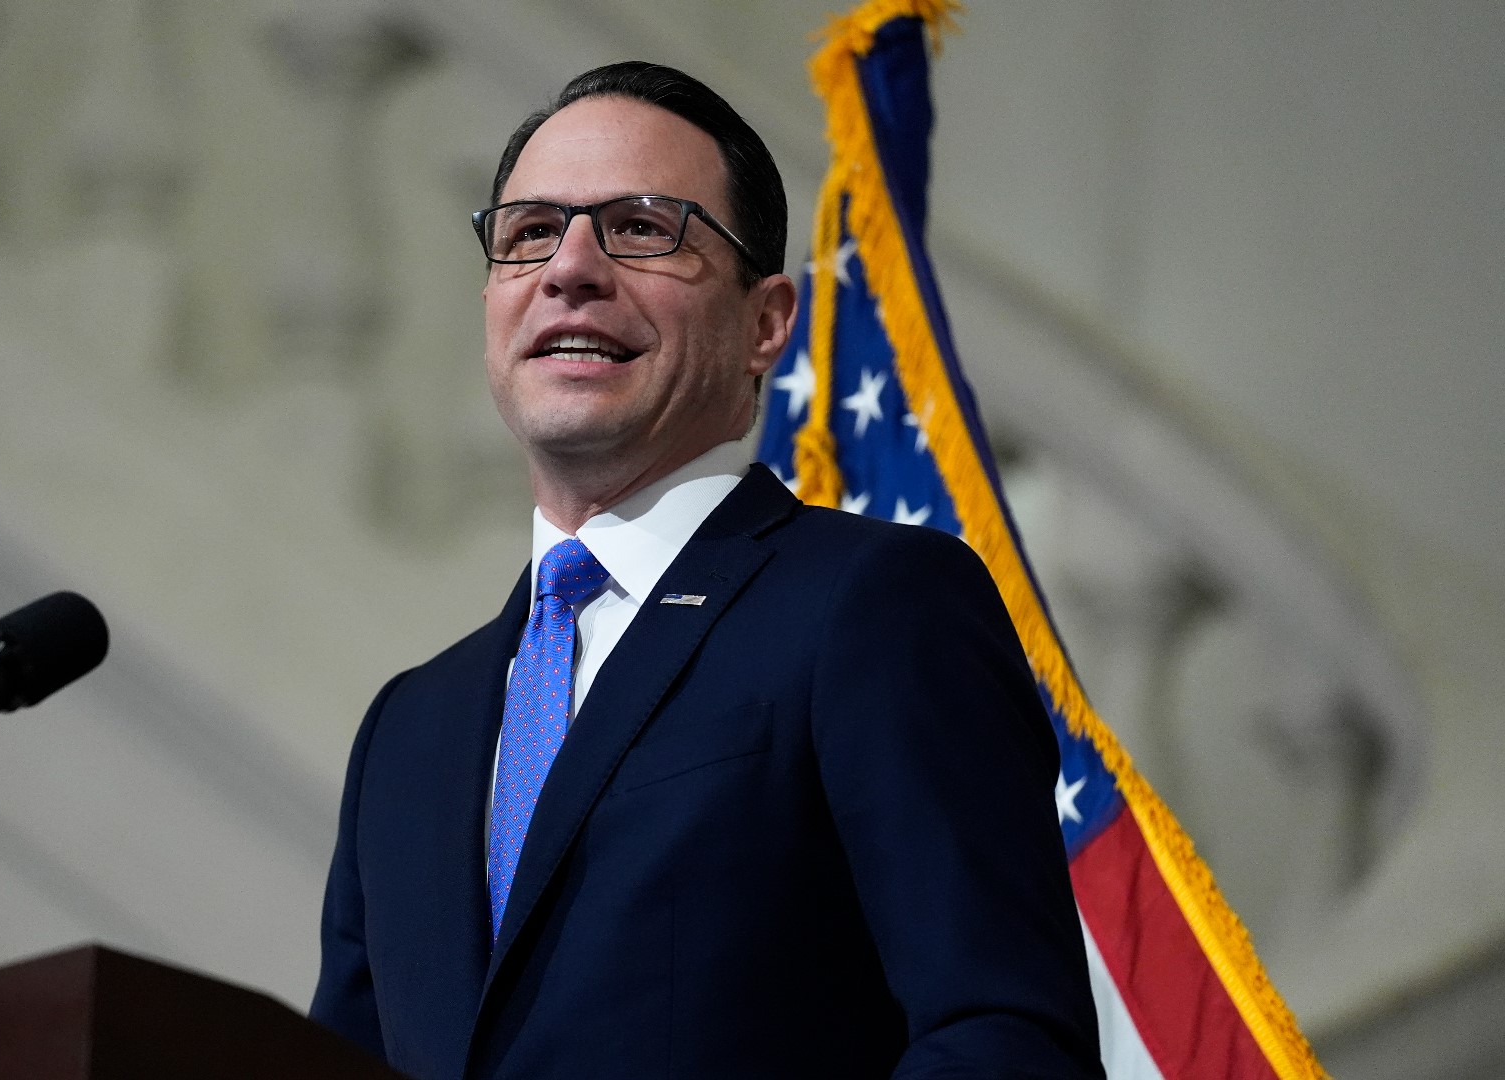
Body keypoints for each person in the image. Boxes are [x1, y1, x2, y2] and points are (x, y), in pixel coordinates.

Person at [310, 61, 1104, 1080]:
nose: (569, 268)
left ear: (765, 322)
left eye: (642, 227)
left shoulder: (871, 606)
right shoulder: (407, 732)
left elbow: (999, 1038)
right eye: (528, 234)